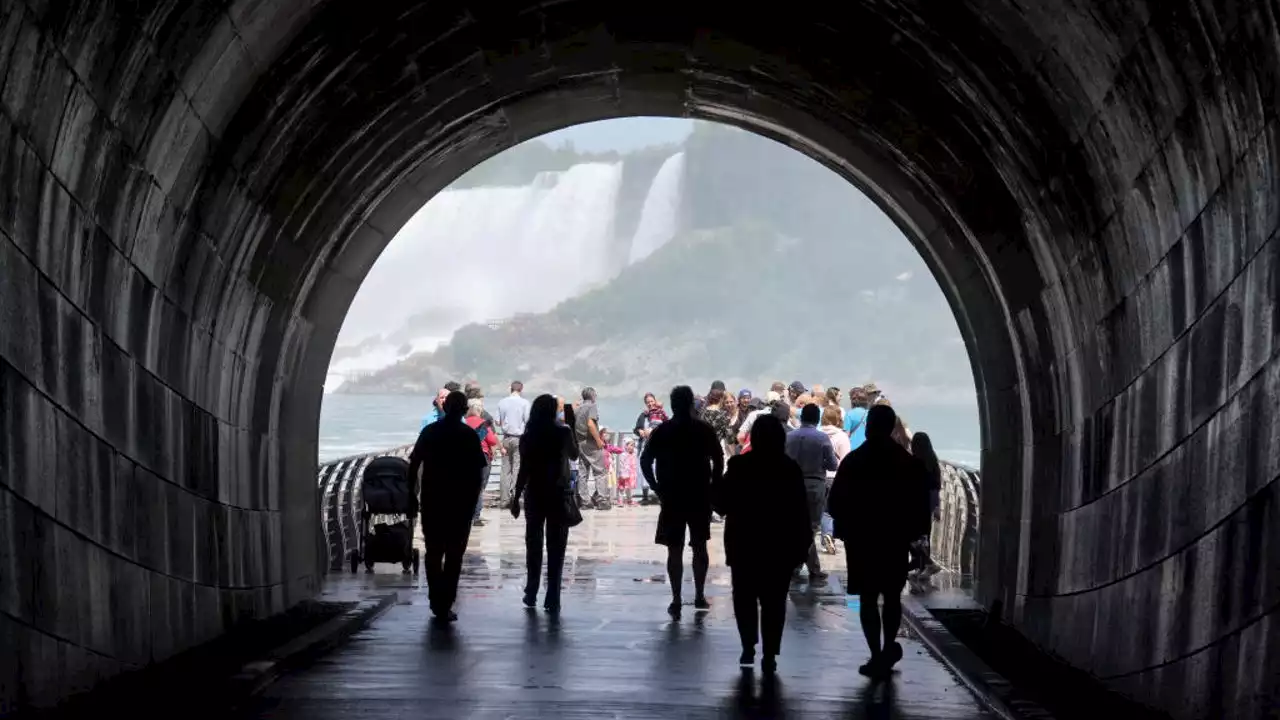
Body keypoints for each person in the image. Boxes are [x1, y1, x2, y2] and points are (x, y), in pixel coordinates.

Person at [827, 405, 932, 677]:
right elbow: (921, 506)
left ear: (869, 426)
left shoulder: (853, 462)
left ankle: (876, 654)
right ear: (892, 427)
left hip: (861, 540)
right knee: (893, 596)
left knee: (867, 598)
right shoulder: (909, 464)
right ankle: (887, 649)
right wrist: (916, 536)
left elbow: (835, 503)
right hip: (895, 540)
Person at [712, 415, 811, 674]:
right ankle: (770, 653)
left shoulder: (738, 466)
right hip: (778, 547)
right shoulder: (789, 468)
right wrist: (802, 547)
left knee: (744, 597)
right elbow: (801, 512)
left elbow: (721, 505)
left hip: (743, 544)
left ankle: (748, 645)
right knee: (774, 601)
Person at [640, 385, 724, 617]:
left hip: (671, 496)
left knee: (674, 549)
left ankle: (676, 598)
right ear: (690, 404)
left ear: (672, 405)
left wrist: (656, 486)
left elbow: (645, 461)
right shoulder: (704, 430)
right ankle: (698, 594)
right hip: (698, 495)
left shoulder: (662, 431)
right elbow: (718, 459)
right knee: (700, 545)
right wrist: (714, 485)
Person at [408, 391, 487, 623]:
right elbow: (477, 472)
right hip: (460, 504)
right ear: (464, 410)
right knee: (454, 555)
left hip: (433, 501)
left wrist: (412, 495)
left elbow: (413, 464)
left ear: (445, 407)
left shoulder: (430, 432)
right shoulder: (469, 436)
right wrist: (473, 500)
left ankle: (435, 600)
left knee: (433, 552)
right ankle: (446, 602)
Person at [510, 394, 580, 613]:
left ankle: (531, 591)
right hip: (558, 493)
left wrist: (516, 496)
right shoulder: (563, 432)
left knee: (534, 544)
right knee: (556, 547)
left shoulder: (528, 436)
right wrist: (572, 426)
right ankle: (553, 595)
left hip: (535, 493)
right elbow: (575, 455)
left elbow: (524, 469)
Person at [784, 403, 838, 581]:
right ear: (817, 419)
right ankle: (810, 567)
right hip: (815, 484)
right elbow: (832, 464)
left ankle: (797, 564)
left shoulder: (789, 436)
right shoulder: (822, 438)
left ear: (801, 418)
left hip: (791, 485)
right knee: (812, 527)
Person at [908, 432, 944, 580]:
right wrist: (936, 506)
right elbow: (936, 486)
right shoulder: (933, 462)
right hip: (927, 505)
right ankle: (923, 566)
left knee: (911, 536)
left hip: (914, 505)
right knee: (923, 537)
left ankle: (925, 564)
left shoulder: (913, 462)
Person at [818, 405, 852, 554]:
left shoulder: (817, 434)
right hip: (835, 477)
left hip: (819, 476)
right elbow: (846, 460)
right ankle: (829, 535)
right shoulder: (842, 436)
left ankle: (826, 537)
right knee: (830, 510)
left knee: (822, 510)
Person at [574, 387, 611, 510]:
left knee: (582, 472)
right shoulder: (592, 406)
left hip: (580, 442)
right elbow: (590, 423)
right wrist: (598, 440)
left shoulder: (577, 408)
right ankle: (602, 500)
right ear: (593, 396)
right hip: (591, 442)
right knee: (600, 472)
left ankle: (585, 501)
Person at [464, 399, 500, 527]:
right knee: (478, 487)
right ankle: (476, 516)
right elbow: (491, 440)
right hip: (481, 456)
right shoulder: (484, 423)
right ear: (479, 410)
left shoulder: (463, 422)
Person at [497, 381, 531, 507]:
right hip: (519, 438)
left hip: (506, 438)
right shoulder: (525, 403)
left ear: (510, 388)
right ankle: (515, 498)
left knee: (505, 469)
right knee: (518, 468)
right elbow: (528, 421)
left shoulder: (502, 402)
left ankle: (504, 500)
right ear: (521, 389)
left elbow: (497, 421)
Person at [632, 393, 667, 505]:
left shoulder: (661, 413)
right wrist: (640, 431)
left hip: (660, 446)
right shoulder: (643, 415)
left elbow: (668, 425)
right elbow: (636, 428)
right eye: (648, 402)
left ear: (655, 401)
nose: (650, 404)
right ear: (645, 404)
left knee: (660, 469)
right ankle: (646, 495)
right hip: (645, 446)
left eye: (652, 401)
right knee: (644, 469)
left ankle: (661, 494)